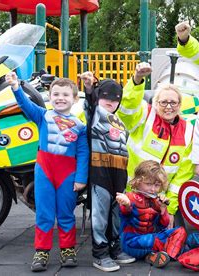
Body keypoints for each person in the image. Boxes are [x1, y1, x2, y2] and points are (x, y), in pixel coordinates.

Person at [5, 72, 89, 272]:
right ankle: (41, 251)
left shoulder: (80, 126)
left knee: (66, 213)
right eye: (56, 94)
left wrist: (81, 178)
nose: (60, 98)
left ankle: (68, 249)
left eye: (65, 95)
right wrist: (16, 87)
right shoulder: (43, 116)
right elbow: (26, 105)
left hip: (67, 173)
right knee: (44, 213)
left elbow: (83, 153)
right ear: (49, 97)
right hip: (45, 170)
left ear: (75, 99)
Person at [117, 62, 194, 228]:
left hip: (162, 199)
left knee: (173, 239)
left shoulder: (188, 130)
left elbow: (183, 174)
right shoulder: (145, 115)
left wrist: (170, 208)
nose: (168, 107)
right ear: (155, 102)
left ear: (180, 105)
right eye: (163, 102)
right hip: (134, 194)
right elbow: (126, 109)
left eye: (173, 103)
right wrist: (137, 80)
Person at [79, 73, 136, 272]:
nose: (110, 102)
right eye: (105, 97)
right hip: (100, 172)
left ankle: (114, 248)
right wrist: (88, 87)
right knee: (100, 215)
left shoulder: (118, 120)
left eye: (115, 99)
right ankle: (100, 253)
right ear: (97, 97)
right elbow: (89, 105)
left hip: (118, 173)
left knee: (115, 214)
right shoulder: (95, 113)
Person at [115, 160, 187, 268]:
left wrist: (163, 209)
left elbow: (163, 225)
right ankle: (169, 251)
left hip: (151, 239)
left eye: (157, 185)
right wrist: (126, 205)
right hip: (132, 242)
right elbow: (125, 212)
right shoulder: (129, 197)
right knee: (157, 240)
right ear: (138, 182)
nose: (153, 189)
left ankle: (164, 256)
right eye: (148, 184)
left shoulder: (156, 201)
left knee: (180, 231)